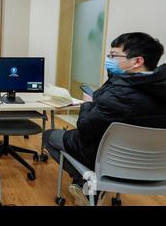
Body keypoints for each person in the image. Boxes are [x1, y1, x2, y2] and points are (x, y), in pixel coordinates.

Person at [43, 32, 166, 205]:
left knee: (49, 135)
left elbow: (85, 128)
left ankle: (87, 183)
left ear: (137, 61)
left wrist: (88, 104)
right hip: (153, 168)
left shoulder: (118, 95)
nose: (108, 60)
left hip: (108, 159)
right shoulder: (155, 87)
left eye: (114, 56)